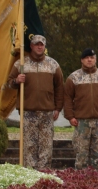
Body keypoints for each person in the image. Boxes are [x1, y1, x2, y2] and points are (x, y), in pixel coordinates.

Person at [7, 34, 64, 169]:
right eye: (37, 44)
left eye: (42, 44)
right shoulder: (21, 63)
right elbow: (9, 83)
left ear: (44, 46)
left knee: (46, 145)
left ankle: (44, 173)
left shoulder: (53, 64)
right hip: (28, 111)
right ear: (31, 46)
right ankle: (30, 172)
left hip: (47, 112)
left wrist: (57, 108)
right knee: (29, 144)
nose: (39, 46)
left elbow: (60, 87)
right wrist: (16, 81)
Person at [63, 48, 98, 169]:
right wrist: (70, 116)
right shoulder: (74, 78)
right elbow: (67, 98)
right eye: (86, 58)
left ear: (95, 59)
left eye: (92, 57)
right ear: (82, 60)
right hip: (81, 121)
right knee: (81, 153)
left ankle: (96, 181)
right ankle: (80, 181)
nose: (89, 60)